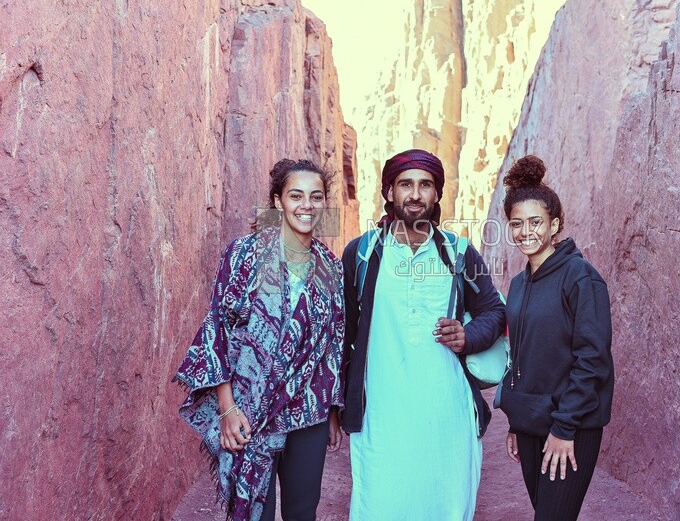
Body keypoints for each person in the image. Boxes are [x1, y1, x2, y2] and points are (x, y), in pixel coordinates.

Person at [174, 159, 345, 521]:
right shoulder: (244, 255)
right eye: (296, 195)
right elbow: (217, 328)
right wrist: (227, 407)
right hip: (249, 408)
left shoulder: (331, 267)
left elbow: (333, 343)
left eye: (316, 197)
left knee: (302, 511)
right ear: (278, 200)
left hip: (308, 409)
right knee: (254, 512)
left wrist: (331, 411)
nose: (306, 206)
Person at [340, 148, 506, 520]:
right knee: (380, 505)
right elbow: (344, 330)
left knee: (444, 504)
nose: (415, 194)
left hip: (446, 413)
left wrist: (469, 335)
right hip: (381, 415)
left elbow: (493, 311)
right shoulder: (361, 254)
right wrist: (339, 403)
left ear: (437, 194)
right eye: (405, 185)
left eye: (425, 185)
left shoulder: (461, 254)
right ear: (389, 193)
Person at [499, 155, 614, 520]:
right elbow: (520, 359)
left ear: (555, 224)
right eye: (516, 224)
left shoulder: (580, 277)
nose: (525, 231)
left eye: (536, 222)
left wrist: (565, 428)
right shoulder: (518, 285)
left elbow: (592, 358)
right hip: (531, 422)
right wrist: (518, 422)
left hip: (571, 426)